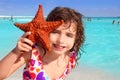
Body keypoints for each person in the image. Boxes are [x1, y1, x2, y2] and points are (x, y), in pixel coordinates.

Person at [0, 6, 84, 80]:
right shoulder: (33, 54)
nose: (61, 40)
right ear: (45, 31)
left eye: (69, 35)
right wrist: (16, 51)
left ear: (76, 38)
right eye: (55, 32)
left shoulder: (71, 59)